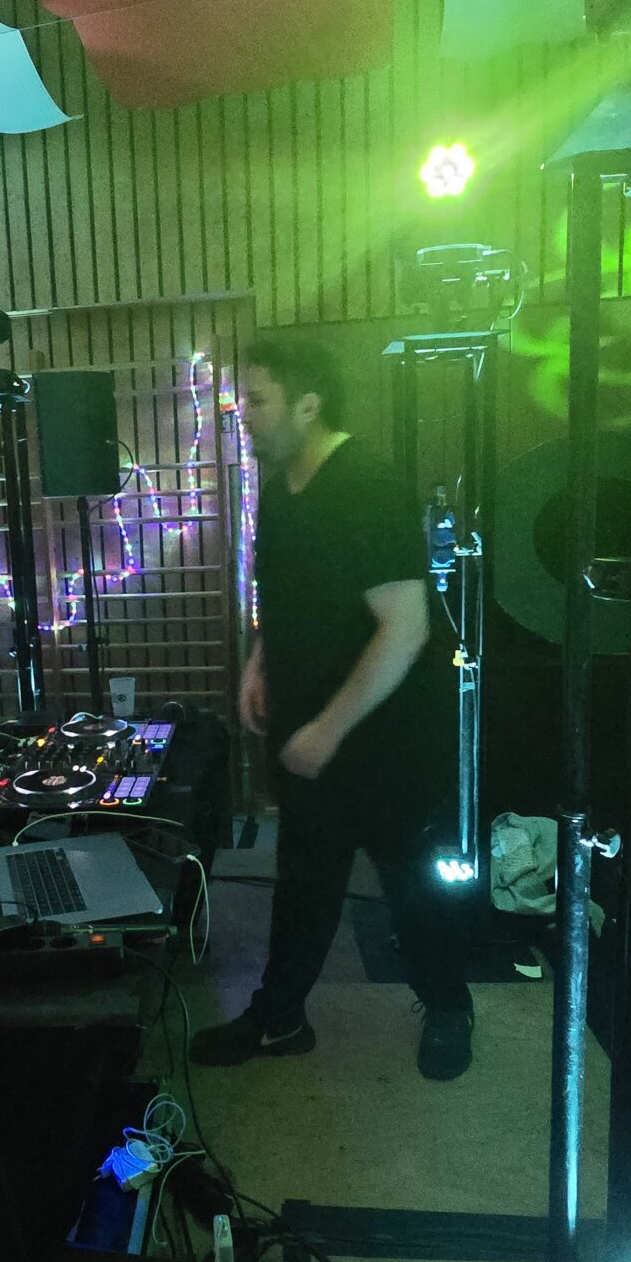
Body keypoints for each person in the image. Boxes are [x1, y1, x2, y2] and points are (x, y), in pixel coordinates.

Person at [188, 338, 476, 1081]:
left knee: (411, 886)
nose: (243, 416)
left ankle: (449, 1008)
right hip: (310, 730)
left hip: (387, 738)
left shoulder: (367, 484)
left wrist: (326, 729)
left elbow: (404, 628)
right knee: (304, 881)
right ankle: (280, 1017)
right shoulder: (279, 484)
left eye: (257, 401)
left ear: (308, 404)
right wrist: (260, 662)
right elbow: (283, 593)